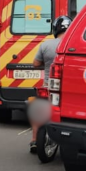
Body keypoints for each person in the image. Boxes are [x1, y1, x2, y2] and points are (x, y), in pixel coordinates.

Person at [28, 15, 72, 153]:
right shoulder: (73, 44)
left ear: (55, 29)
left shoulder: (46, 45)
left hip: (47, 87)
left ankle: (34, 140)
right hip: (65, 90)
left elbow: (35, 64)